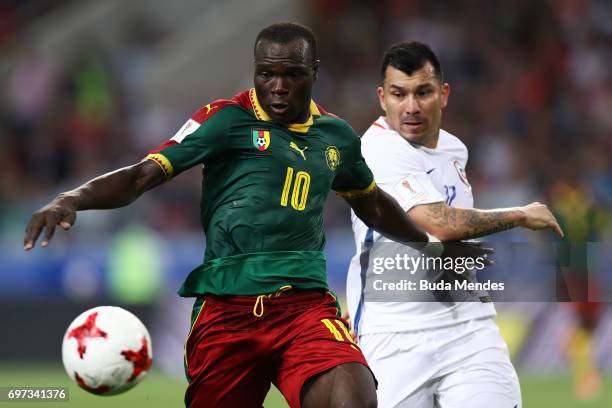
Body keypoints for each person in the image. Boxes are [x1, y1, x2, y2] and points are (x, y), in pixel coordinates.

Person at [23, 24, 486, 408]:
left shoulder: (336, 138)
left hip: (303, 306)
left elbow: (373, 204)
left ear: (314, 72)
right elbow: (143, 175)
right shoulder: (224, 120)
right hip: (227, 311)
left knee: (354, 395)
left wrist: (429, 247)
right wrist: (72, 198)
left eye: (291, 75)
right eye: (267, 74)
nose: (278, 87)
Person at [346, 41, 563, 408]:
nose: (411, 107)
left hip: (467, 328)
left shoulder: (453, 150)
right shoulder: (376, 150)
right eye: (399, 94)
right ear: (382, 99)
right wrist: (520, 215)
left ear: (443, 95)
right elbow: (440, 224)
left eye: (423, 92)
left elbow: (447, 244)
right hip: (396, 336)